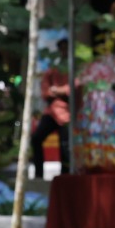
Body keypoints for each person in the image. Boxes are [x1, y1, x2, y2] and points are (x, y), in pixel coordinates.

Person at [30, 45, 72, 178]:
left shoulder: (73, 68)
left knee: (65, 145)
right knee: (36, 139)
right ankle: (38, 174)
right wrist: (57, 92)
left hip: (67, 114)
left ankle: (65, 174)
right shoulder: (53, 69)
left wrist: (57, 90)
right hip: (52, 112)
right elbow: (45, 91)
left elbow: (72, 89)